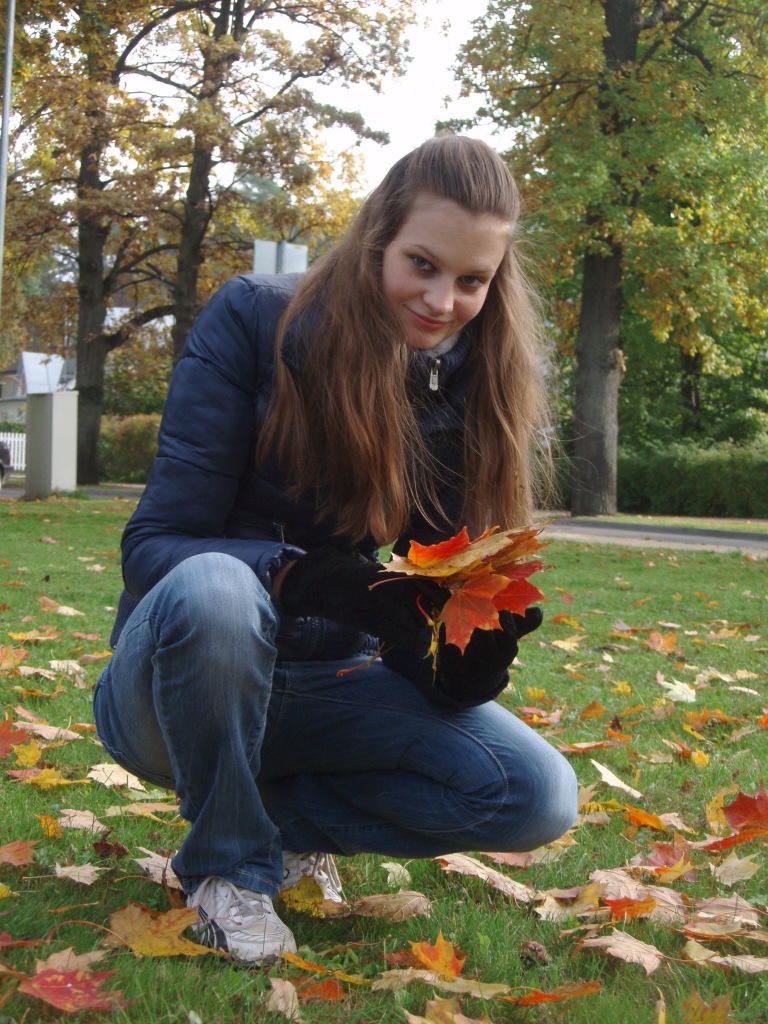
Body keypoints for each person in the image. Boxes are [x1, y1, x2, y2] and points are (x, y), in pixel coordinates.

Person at [93, 134, 578, 967]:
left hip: (327, 686)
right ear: (377, 238)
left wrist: (460, 657)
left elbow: (414, 605)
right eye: (422, 264)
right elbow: (153, 546)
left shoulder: (470, 382)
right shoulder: (255, 318)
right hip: (176, 686)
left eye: (471, 280)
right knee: (218, 589)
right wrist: (311, 579)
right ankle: (225, 871)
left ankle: (272, 831)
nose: (441, 300)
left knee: (536, 795)